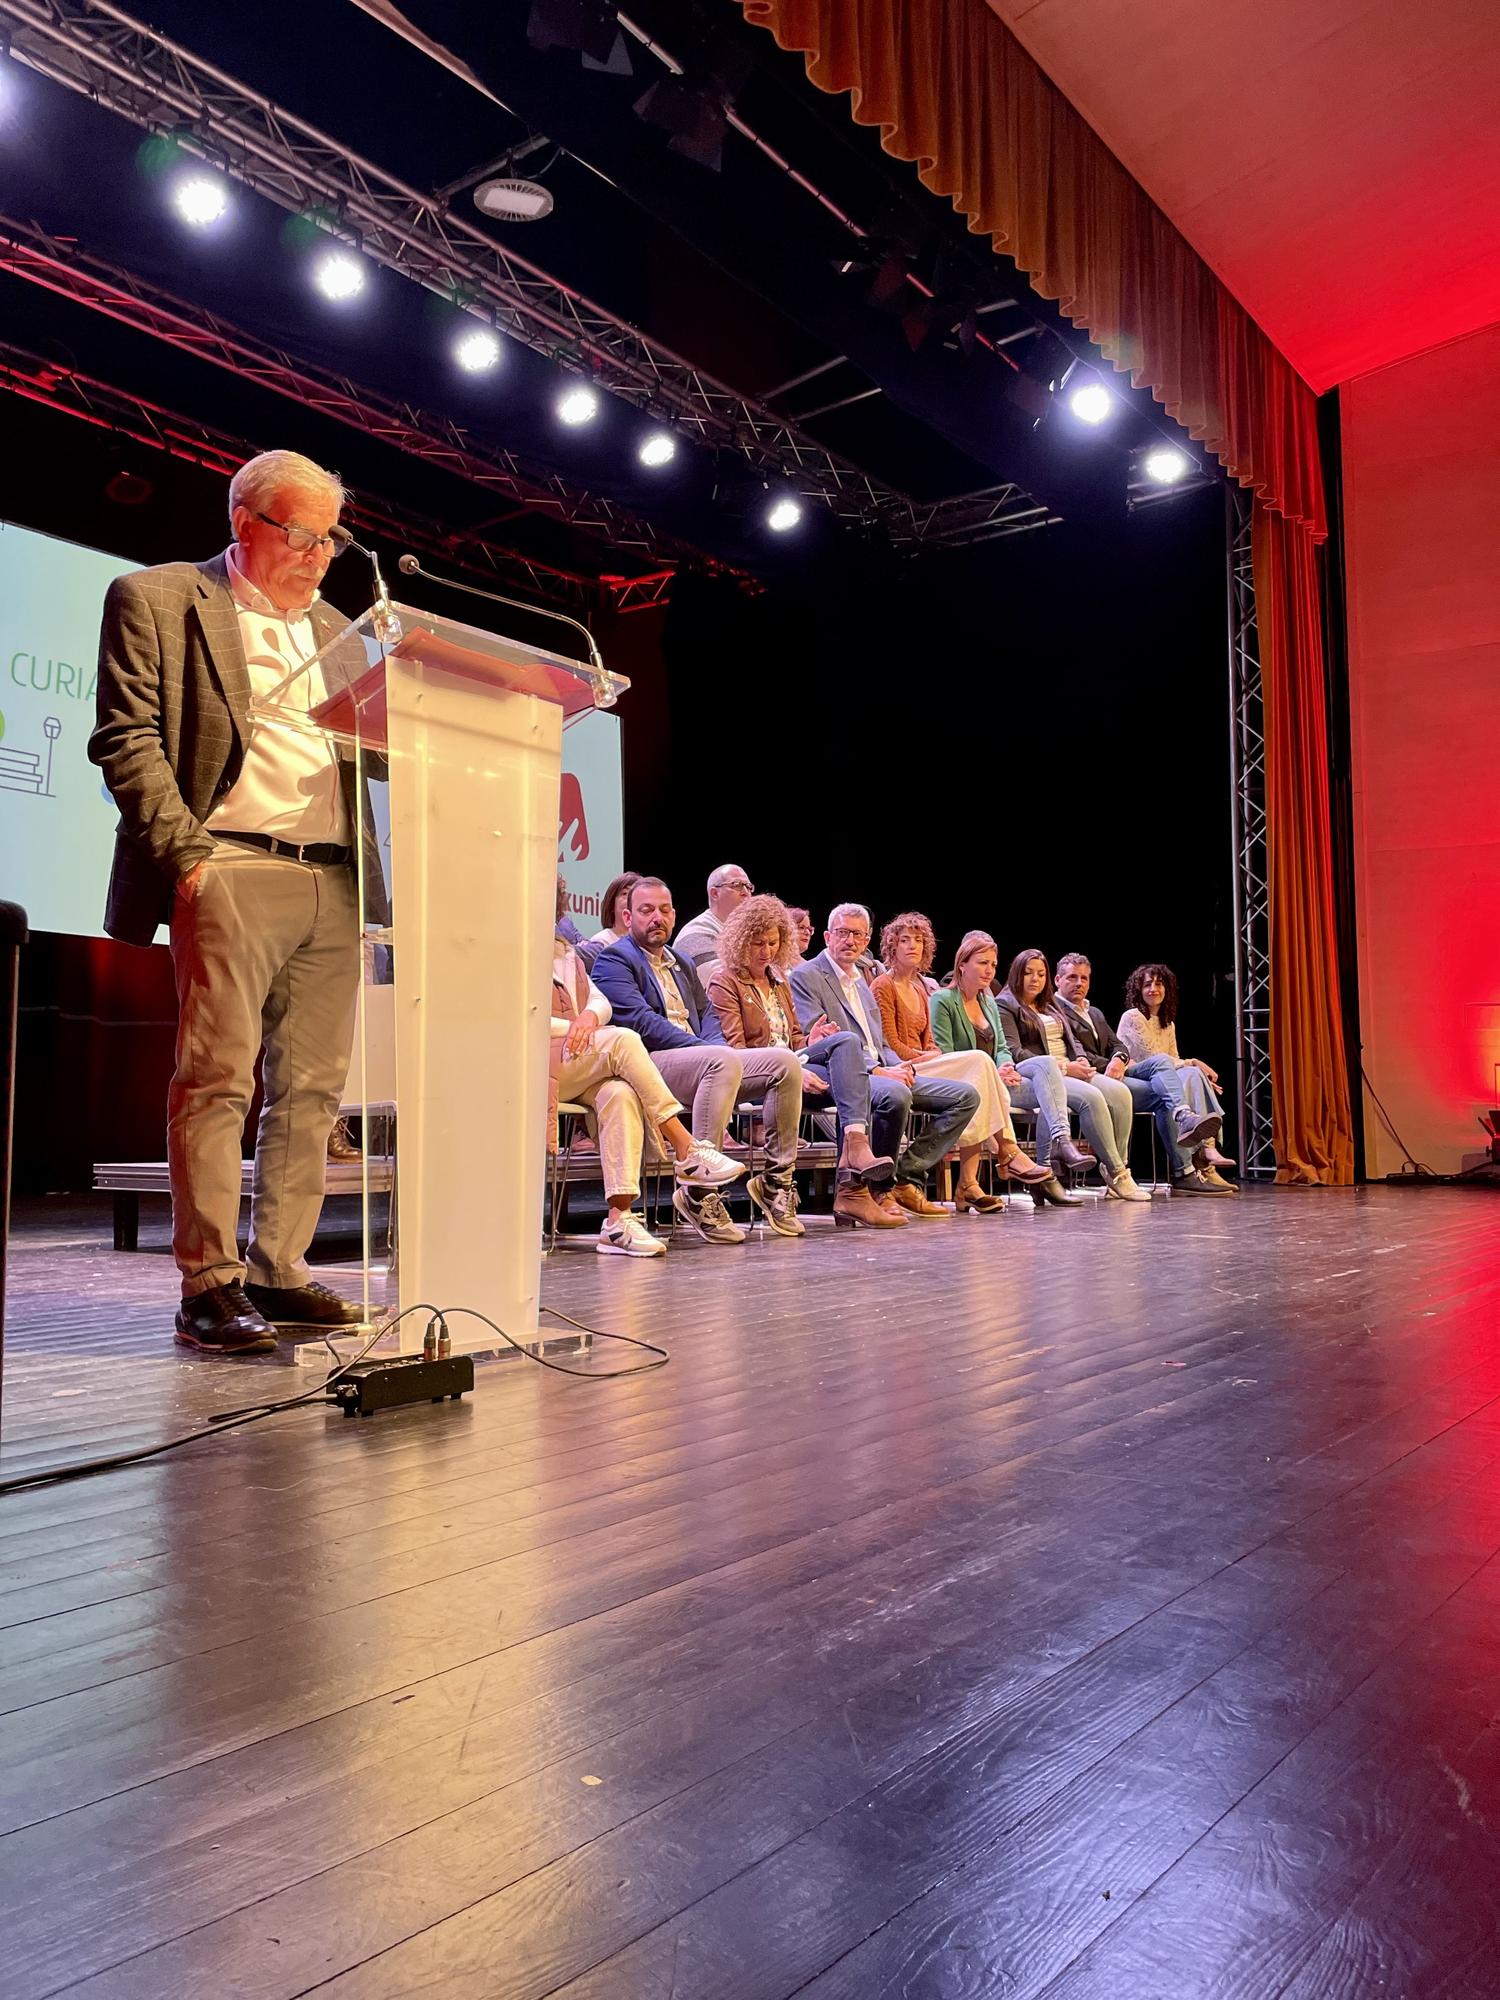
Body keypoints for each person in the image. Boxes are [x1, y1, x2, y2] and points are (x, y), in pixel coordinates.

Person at [89, 448, 385, 1355]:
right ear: (243, 521)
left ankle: (279, 1271)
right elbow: (125, 737)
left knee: (313, 1089)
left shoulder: (345, 627)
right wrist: (189, 859)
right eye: (300, 533)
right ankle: (207, 1282)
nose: (318, 553)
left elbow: (372, 756)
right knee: (217, 1080)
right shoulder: (160, 598)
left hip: (334, 874)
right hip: (229, 862)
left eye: (330, 537)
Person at [593, 877, 804, 1243]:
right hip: (649, 1062)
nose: (656, 918)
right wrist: (703, 1049)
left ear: (674, 915)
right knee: (719, 1060)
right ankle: (699, 1191)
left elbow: (707, 1015)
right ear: (628, 917)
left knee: (785, 1063)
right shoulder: (615, 959)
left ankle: (776, 1181)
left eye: (663, 910)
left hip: (700, 1057)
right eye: (646, 911)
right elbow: (641, 1022)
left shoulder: (682, 962)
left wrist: (712, 1046)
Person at [550, 883, 742, 1256]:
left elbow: (597, 999)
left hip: (573, 1058)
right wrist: (573, 1026)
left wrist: (589, 1015)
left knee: (620, 1093)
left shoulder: (563, 952)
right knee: (622, 1039)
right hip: (533, 1063)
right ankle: (687, 1148)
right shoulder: (507, 950)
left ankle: (618, 1220)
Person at [706, 894, 898, 1231]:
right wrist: (793, 1068)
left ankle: (855, 1156)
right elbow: (734, 1050)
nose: (765, 951)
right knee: (856, 1081)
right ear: (740, 940)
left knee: (846, 1044)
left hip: (794, 1066)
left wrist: (810, 1040)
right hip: (756, 1076)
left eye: (772, 942)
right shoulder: (725, 982)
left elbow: (794, 1037)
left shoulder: (779, 982)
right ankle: (850, 1186)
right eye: (757, 942)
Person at [790, 903, 980, 1222]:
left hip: (880, 1069)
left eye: (857, 934)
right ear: (826, 936)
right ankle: (875, 1190)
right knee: (894, 1095)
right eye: (842, 933)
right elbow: (818, 1041)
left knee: (965, 1097)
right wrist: (877, 1069)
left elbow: (879, 1043)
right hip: (836, 1071)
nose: (850, 940)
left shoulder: (861, 983)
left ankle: (904, 1173)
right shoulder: (806, 975)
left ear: (866, 941)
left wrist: (896, 1066)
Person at [872, 914, 1054, 1213]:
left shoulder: (921, 988)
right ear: (892, 945)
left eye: (919, 941)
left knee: (980, 1078)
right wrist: (926, 1056)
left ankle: (973, 1180)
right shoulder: (884, 985)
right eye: (905, 940)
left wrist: (932, 1053)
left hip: (928, 1064)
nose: (912, 947)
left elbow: (933, 1041)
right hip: (902, 1068)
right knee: (980, 1064)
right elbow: (890, 1045)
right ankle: (1007, 1151)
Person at [1053, 952, 1226, 1196]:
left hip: (1119, 1072)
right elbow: (1077, 1053)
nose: (1079, 983)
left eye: (1084, 978)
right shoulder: (1055, 1012)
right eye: (1072, 977)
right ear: (1057, 980)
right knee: (1163, 1065)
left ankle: (1185, 1170)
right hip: (1090, 1076)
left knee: (1164, 1094)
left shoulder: (1094, 1013)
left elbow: (1117, 1045)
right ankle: (1186, 1133)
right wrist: (1112, 1063)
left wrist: (1118, 1058)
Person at [929, 932, 1081, 1208]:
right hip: (954, 1078)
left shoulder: (988, 1001)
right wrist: (990, 1070)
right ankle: (1008, 1155)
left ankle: (972, 1185)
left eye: (993, 965)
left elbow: (1000, 1047)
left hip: (993, 1081)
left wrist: (1004, 1065)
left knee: (1046, 1083)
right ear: (962, 964)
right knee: (979, 1083)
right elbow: (946, 1052)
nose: (989, 970)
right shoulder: (943, 1000)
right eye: (982, 963)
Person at [996, 949, 1151, 1201]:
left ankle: (1117, 1168)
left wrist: (1079, 1057)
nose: (1035, 979)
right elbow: (1014, 1050)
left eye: (1040, 974)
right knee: (1092, 1098)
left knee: (1121, 1093)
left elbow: (1071, 1039)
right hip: (1038, 1070)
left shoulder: (1050, 1004)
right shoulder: (1006, 1004)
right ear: (1016, 974)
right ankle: (1118, 1172)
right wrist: (1065, 1067)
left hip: (1070, 1067)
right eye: (1028, 973)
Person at [1118, 963, 1238, 1194]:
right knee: (1187, 1069)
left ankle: (1205, 1160)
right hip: (1134, 1073)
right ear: (1138, 990)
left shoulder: (1167, 1022)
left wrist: (1198, 1076)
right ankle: (1206, 1150)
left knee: (1192, 1075)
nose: (1153, 989)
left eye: (1159, 984)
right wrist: (1193, 1063)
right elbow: (1155, 1057)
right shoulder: (1133, 1017)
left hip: (1162, 1078)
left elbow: (1174, 1059)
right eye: (1147, 985)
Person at [672, 863, 754, 969]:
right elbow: (721, 981)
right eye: (737, 885)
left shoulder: (750, 932)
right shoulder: (696, 934)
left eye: (749, 887)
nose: (746, 892)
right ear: (715, 893)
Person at [581, 869, 639, 965]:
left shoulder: (647, 945)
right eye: (625, 893)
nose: (630, 898)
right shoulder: (602, 942)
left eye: (635, 894)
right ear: (612, 904)